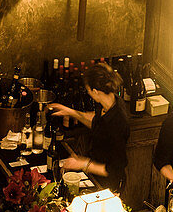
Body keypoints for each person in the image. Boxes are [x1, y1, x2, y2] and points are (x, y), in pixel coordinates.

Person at [48, 62, 130, 192]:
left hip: (109, 185)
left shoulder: (118, 122)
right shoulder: (108, 102)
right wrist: (70, 112)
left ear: (95, 91)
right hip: (95, 175)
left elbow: (113, 169)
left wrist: (82, 163)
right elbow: (97, 123)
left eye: (88, 90)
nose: (88, 93)